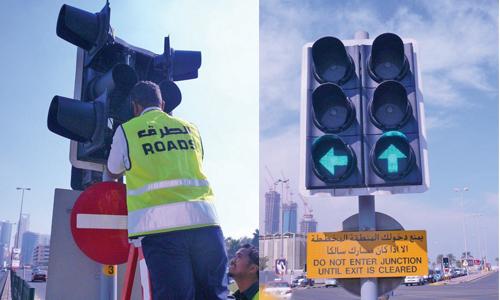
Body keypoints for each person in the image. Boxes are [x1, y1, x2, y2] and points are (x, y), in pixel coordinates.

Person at [106, 81, 228, 300]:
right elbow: (197, 161)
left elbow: (113, 169)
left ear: (135, 107)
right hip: (206, 224)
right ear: (162, 104)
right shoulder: (191, 128)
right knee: (214, 296)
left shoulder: (127, 130)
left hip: (160, 231)